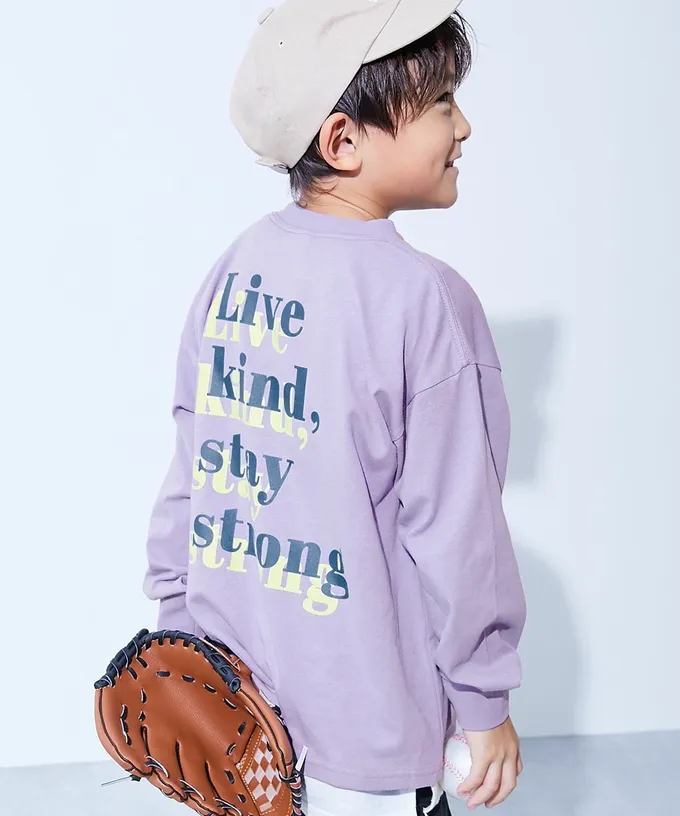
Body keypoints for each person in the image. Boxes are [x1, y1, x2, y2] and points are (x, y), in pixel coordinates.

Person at [142, 1, 527, 814]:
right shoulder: (425, 300)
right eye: (442, 103)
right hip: (369, 739)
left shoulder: (236, 269)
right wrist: (484, 701)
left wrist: (178, 630)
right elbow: (457, 530)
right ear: (344, 140)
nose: (464, 127)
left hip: (231, 719)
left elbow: (196, 468)